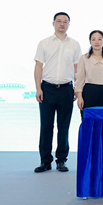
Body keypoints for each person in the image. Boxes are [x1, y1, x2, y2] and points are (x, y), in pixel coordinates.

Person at [33, 12, 82, 173]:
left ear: (69, 24)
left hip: (66, 89)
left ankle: (61, 160)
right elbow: (38, 66)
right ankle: (45, 161)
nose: (62, 24)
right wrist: (38, 88)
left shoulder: (74, 44)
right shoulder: (44, 43)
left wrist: (77, 89)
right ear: (53, 23)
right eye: (59, 21)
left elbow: (77, 68)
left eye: (65, 21)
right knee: (46, 126)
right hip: (47, 89)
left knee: (64, 126)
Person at [75, 30, 103, 120]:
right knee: (88, 121)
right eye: (93, 39)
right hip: (89, 92)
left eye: (99, 39)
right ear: (90, 42)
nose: (96, 42)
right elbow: (80, 79)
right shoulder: (84, 58)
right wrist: (80, 97)